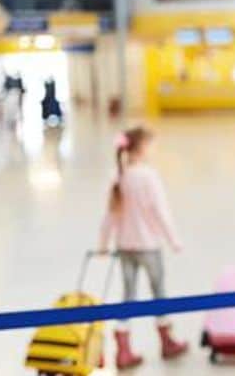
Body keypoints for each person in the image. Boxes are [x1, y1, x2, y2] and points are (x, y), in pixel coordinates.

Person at [98, 126, 188, 369]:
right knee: (159, 292)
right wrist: (174, 240)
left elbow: (110, 215)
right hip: (148, 246)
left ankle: (123, 349)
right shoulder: (148, 176)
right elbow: (160, 211)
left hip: (125, 246)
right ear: (141, 148)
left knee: (128, 295)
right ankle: (167, 341)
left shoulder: (118, 175)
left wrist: (103, 243)